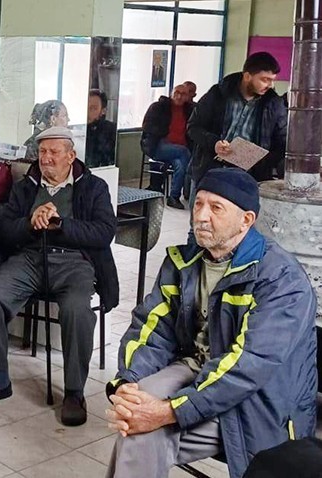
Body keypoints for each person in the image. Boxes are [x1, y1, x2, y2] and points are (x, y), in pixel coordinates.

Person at [105, 168, 318, 478]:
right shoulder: (186, 260)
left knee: (142, 430)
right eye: (198, 204)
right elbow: (152, 328)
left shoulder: (281, 279)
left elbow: (248, 366)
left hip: (260, 399)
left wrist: (169, 411)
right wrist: (128, 382)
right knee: (136, 412)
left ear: (246, 220)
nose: (201, 216)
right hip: (196, 369)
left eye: (216, 208)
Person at [0, 126, 119, 427]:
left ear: (71, 155)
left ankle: (75, 392)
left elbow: (104, 232)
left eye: (54, 153)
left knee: (77, 310)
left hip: (75, 262)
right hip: (29, 259)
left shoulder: (93, 187)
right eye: (42, 153)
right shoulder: (26, 187)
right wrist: (29, 223)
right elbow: (3, 232)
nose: (46, 159)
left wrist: (60, 224)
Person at [187, 52, 287, 189]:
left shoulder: (274, 104)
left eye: (272, 80)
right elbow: (193, 127)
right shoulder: (218, 94)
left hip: (249, 176)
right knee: (203, 209)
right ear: (247, 76)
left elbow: (282, 143)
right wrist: (214, 143)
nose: (270, 85)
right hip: (209, 169)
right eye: (265, 80)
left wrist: (262, 160)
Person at [141, 83, 194, 210]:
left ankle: (173, 197)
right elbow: (147, 126)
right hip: (159, 146)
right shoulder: (158, 107)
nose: (179, 96)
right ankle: (188, 190)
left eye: (183, 94)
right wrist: (162, 131)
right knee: (185, 154)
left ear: (188, 97)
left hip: (179, 149)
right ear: (171, 93)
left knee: (181, 164)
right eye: (177, 93)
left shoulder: (191, 110)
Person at [85, 89, 117, 168]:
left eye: (93, 108)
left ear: (103, 111)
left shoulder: (110, 130)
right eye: (85, 107)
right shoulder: (74, 130)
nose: (87, 112)